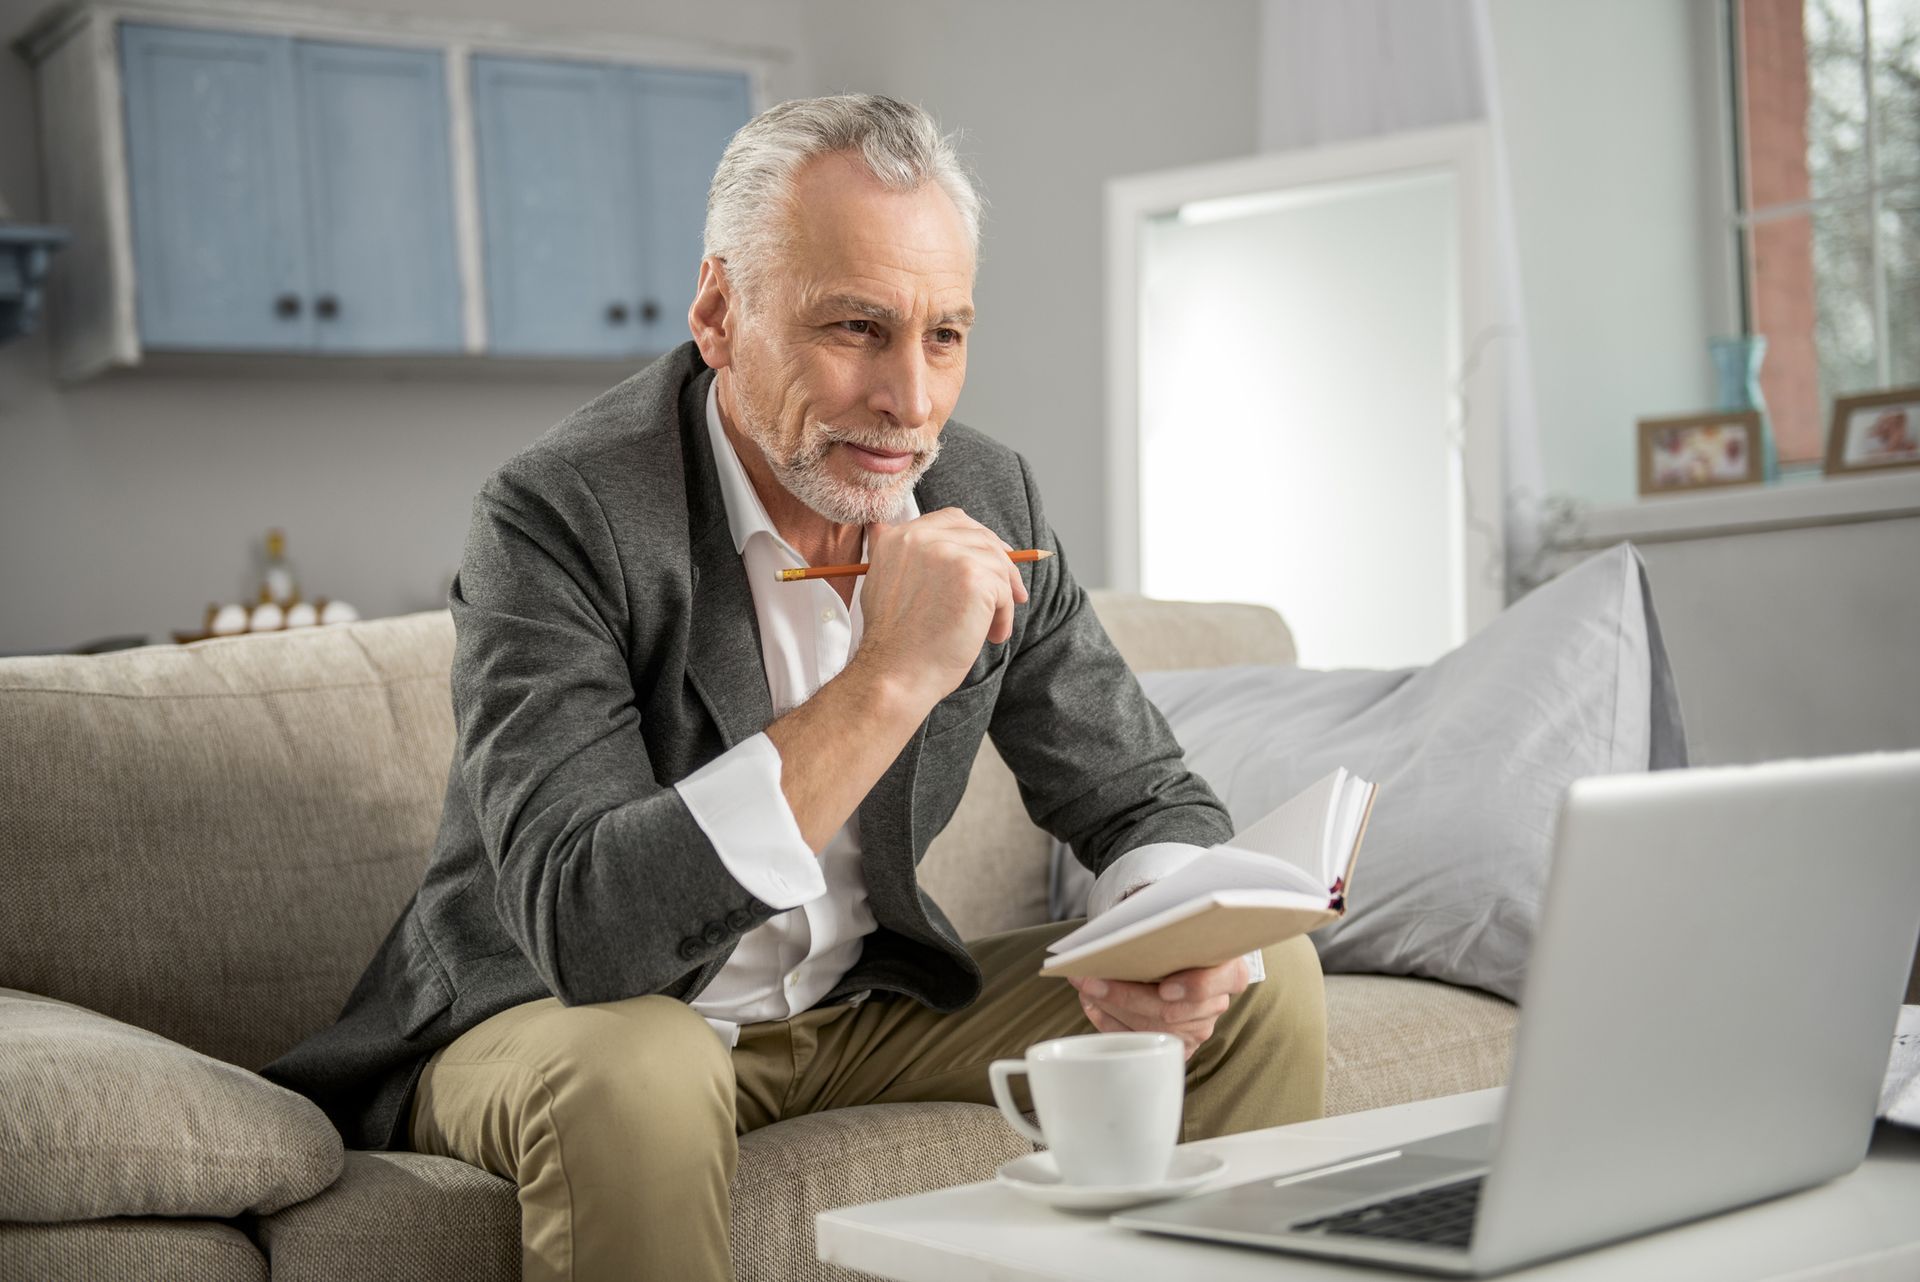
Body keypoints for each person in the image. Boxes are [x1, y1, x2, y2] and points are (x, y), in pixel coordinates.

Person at [263, 94, 1325, 1282]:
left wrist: (1171, 933)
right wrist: (886, 678)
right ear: (720, 312)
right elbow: (585, 930)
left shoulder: (990, 496)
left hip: (856, 1007)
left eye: (945, 335)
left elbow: (1144, 794)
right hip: (554, 1017)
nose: (911, 403)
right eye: (857, 328)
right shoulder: (561, 515)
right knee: (644, 1067)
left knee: (1268, 979)